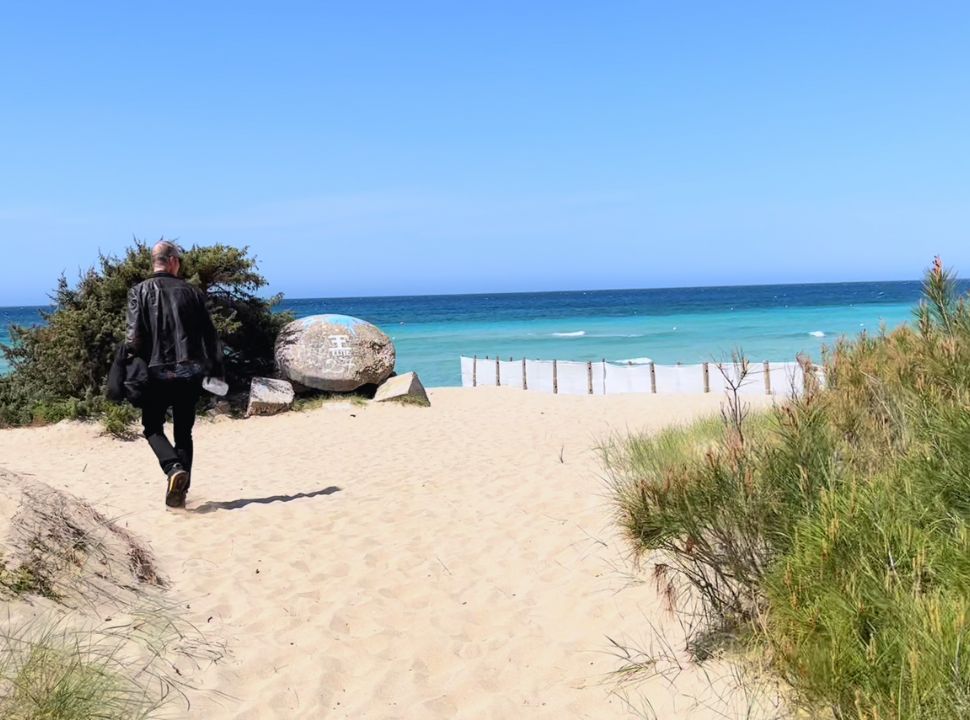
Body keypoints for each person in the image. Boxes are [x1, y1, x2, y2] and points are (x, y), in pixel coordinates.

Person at [126, 241, 224, 508]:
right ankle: (180, 492)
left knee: (152, 428)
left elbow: (134, 337)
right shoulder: (191, 292)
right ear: (171, 261)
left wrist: (128, 358)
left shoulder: (140, 291)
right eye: (179, 260)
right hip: (189, 373)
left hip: (155, 373)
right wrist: (217, 370)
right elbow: (209, 335)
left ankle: (172, 469)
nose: (179, 264)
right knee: (184, 432)